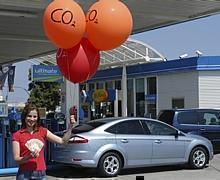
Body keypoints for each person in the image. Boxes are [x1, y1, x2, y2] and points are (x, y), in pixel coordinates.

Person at [12, 103, 76, 180]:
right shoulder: (17, 135)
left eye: (35, 116)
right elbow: (16, 159)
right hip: (24, 174)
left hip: (40, 173)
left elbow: (62, 141)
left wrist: (70, 126)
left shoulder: (43, 131)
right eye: (29, 116)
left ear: (38, 118)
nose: (32, 119)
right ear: (24, 117)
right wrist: (29, 157)